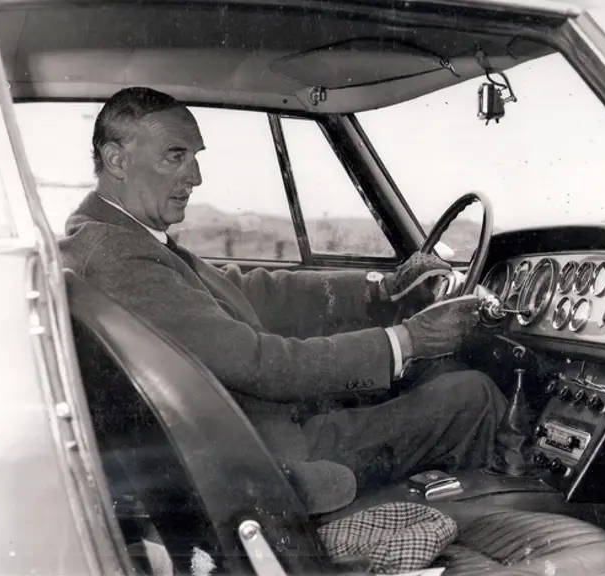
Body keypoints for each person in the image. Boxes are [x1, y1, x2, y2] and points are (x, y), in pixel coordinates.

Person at [60, 87, 512, 513]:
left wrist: (383, 289)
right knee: (471, 395)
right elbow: (258, 363)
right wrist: (408, 341)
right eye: (175, 157)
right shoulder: (119, 253)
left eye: (195, 157)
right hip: (269, 456)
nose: (195, 177)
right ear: (116, 159)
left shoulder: (123, 235)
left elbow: (246, 289)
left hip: (252, 432)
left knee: (441, 380)